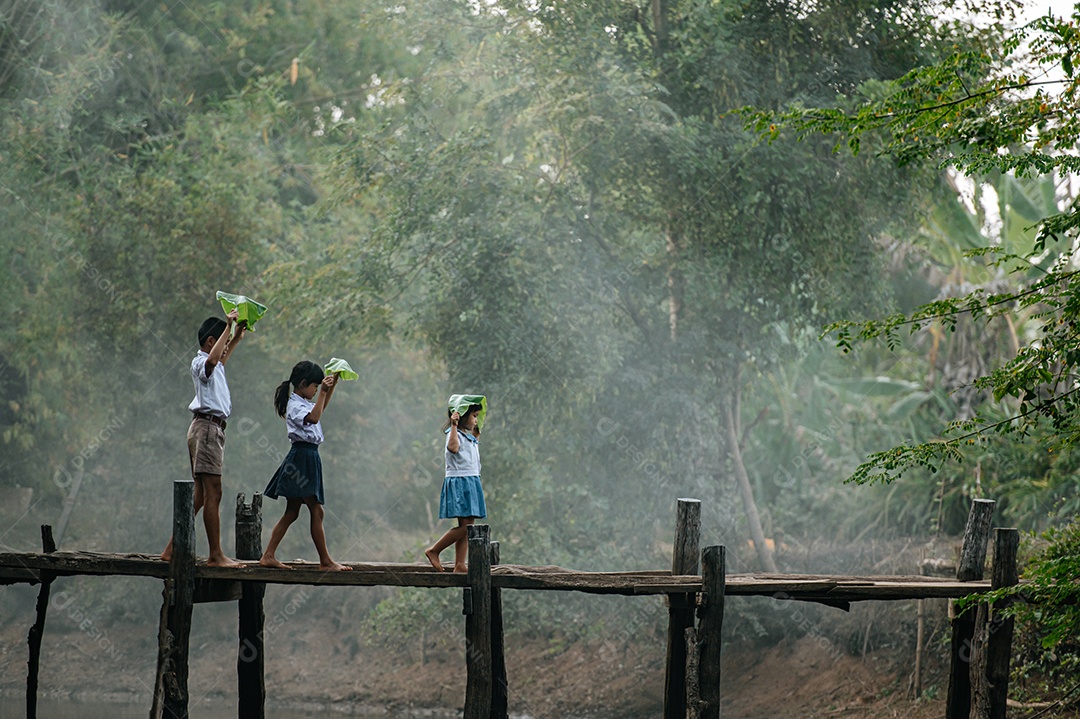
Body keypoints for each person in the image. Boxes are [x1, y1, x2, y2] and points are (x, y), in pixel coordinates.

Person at [162, 310, 246, 567]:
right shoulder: (200, 363)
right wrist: (228, 325)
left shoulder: (216, 364)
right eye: (221, 341)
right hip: (207, 429)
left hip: (210, 430)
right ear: (211, 341)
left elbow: (220, 358)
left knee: (200, 494)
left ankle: (171, 549)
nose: (223, 351)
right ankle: (216, 555)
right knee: (214, 492)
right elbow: (212, 362)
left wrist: (237, 336)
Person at [260, 361, 351, 571]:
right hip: (302, 458)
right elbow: (315, 416)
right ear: (303, 384)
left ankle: (268, 555)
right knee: (316, 511)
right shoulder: (295, 405)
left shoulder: (303, 401)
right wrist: (323, 393)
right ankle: (325, 561)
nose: (317, 391)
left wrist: (333, 383)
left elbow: (321, 407)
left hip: (308, 457)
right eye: (315, 387)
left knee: (292, 512)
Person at [425, 402, 487, 573]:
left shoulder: (468, 437)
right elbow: (453, 448)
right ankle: (434, 550)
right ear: (462, 417)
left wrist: (477, 429)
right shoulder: (454, 434)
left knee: (467, 524)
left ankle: (460, 564)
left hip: (470, 480)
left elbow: (471, 448)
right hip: (461, 481)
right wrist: (453, 425)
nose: (476, 420)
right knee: (467, 527)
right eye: (474, 416)